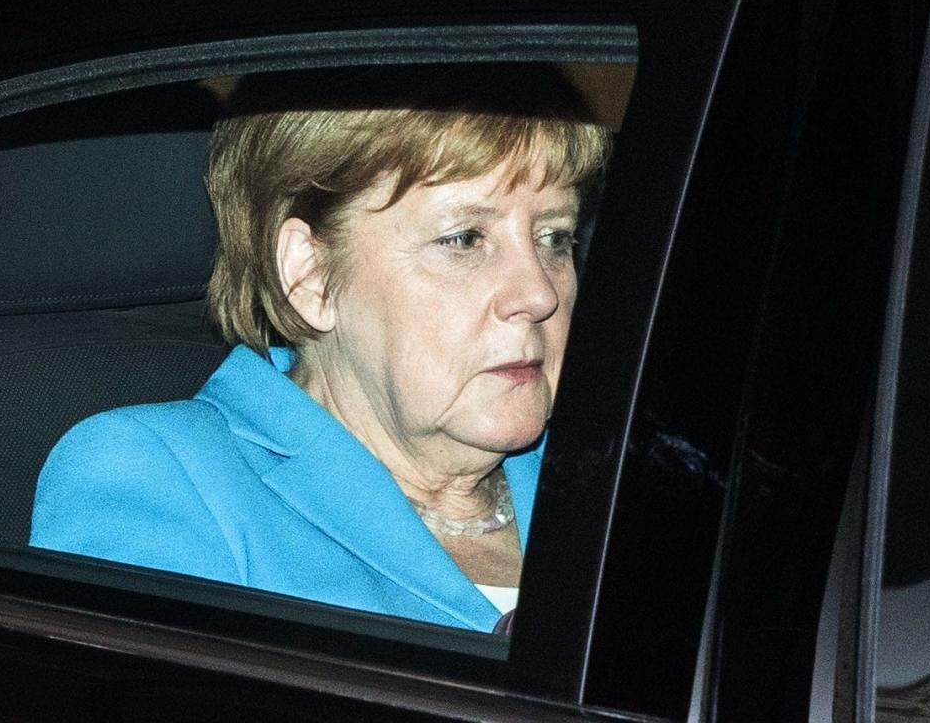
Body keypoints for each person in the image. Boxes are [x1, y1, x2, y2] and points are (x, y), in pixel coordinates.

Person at [30, 63, 611, 632]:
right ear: (310, 276)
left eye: (555, 237)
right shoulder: (155, 475)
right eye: (463, 239)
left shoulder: (617, 475)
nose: (538, 293)